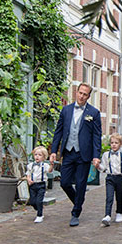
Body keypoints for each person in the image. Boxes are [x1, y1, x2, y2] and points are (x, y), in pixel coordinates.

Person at [50, 83, 102, 226]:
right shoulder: (66, 110)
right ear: (76, 92)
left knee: (80, 184)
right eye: (80, 93)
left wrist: (96, 155)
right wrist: (54, 151)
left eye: (85, 94)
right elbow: (58, 132)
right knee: (64, 182)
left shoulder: (94, 113)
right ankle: (78, 201)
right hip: (68, 152)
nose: (81, 96)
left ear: (88, 96)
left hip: (84, 154)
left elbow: (97, 136)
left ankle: (75, 213)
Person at [99, 134, 122, 226]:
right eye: (112, 143)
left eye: (116, 143)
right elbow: (103, 167)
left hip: (120, 178)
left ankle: (119, 213)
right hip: (110, 178)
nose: (114, 145)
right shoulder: (106, 155)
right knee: (109, 197)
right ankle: (107, 215)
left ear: (120, 144)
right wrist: (98, 166)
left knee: (119, 196)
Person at [26, 146, 52, 223]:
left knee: (39, 201)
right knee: (32, 201)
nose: (37, 156)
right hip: (33, 185)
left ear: (44, 157)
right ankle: (38, 208)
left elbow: (49, 171)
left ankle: (39, 215)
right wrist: (29, 180)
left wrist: (52, 164)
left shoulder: (45, 166)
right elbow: (28, 174)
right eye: (36, 154)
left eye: (40, 155)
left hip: (41, 185)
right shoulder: (31, 165)